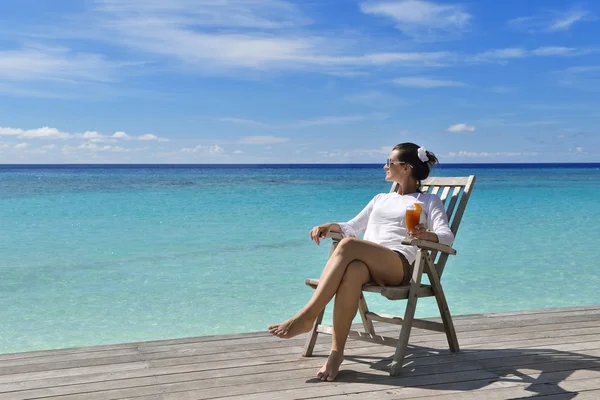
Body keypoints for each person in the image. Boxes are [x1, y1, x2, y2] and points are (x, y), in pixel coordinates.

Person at [267, 142, 454, 382]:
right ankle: (336, 353)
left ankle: (307, 315)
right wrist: (329, 226)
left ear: (406, 168)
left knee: (347, 246)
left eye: (390, 162)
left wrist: (427, 235)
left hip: (398, 265)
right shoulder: (379, 199)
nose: (385, 166)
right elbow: (352, 227)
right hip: (367, 265)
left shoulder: (428, 202)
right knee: (353, 269)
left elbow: (446, 236)